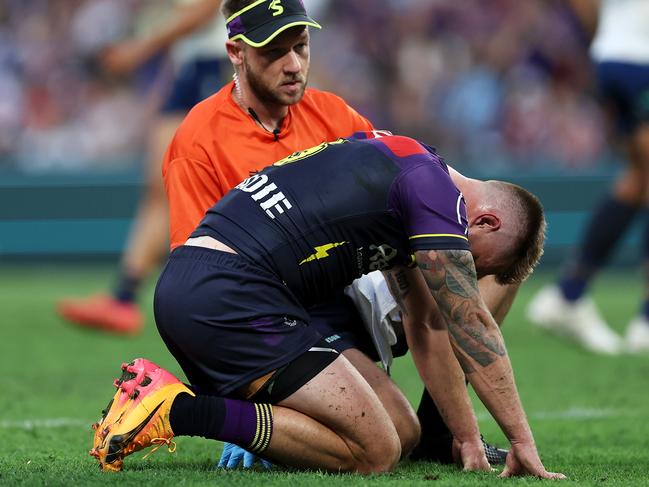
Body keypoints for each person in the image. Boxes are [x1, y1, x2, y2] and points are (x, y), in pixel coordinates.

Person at [89, 131, 563, 479]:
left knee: (402, 429)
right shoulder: (436, 195)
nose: (464, 271)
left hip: (219, 287)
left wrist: (465, 437)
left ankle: (223, 415)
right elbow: (471, 323)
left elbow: (426, 323)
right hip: (232, 296)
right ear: (484, 220)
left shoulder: (414, 168)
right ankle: (179, 409)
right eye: (474, 261)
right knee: (375, 453)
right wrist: (522, 441)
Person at [159, 0, 512, 468]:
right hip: (276, 303)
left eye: (301, 47)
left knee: (500, 254)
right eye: (274, 52)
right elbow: (204, 280)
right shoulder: (198, 138)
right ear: (235, 53)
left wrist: (418, 287)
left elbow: (394, 203)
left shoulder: (332, 114)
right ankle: (252, 417)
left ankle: (444, 432)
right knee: (393, 436)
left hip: (351, 283)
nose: (293, 65)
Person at [57, 0, 226, 334]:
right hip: (195, 67)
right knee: (161, 182)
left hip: (220, 64)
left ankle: (226, 293)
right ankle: (123, 297)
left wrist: (139, 49)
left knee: (219, 185)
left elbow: (205, 11)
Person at [527, 0, 649, 354]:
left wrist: (605, 37)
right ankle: (645, 320)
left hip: (613, 58)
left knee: (638, 181)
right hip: (640, 60)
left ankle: (569, 294)